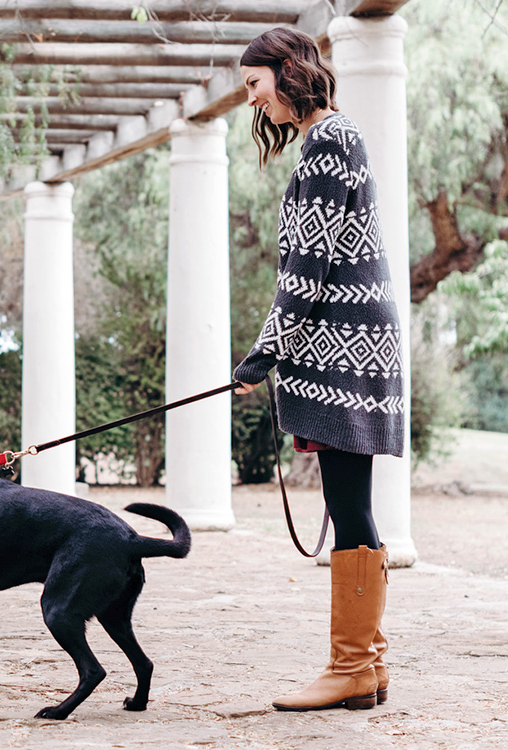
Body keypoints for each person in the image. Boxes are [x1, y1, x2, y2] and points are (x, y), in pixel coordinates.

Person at [233, 28, 404, 712]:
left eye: (254, 84)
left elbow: (309, 267)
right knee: (348, 503)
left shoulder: (330, 140)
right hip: (343, 343)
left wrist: (264, 352)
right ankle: (366, 664)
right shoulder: (327, 140)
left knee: (348, 505)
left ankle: (353, 667)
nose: (252, 101)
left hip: (342, 348)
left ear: (288, 70)